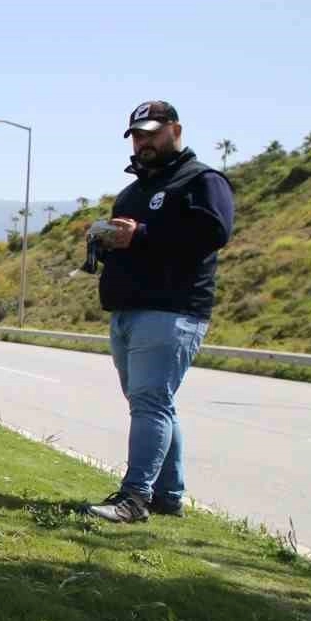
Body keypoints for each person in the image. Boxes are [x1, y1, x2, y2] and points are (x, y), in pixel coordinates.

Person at [86, 100, 235, 523]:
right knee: (153, 403)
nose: (143, 142)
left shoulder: (201, 181)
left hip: (173, 309)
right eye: (137, 135)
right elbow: (133, 245)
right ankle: (168, 496)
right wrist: (105, 241)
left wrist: (143, 234)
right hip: (127, 310)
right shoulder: (132, 192)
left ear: (176, 130)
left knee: (151, 402)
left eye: (151, 133)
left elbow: (214, 232)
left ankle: (134, 498)